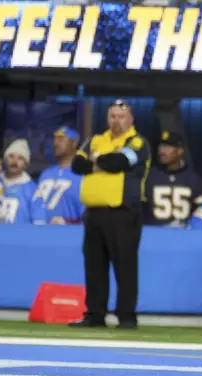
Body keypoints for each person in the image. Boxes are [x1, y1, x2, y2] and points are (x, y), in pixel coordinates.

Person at [69, 99, 151, 329]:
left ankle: (126, 316)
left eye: (121, 117)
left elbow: (120, 161)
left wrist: (96, 160)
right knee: (94, 266)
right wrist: (101, 161)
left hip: (123, 212)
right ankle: (95, 314)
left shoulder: (137, 142)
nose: (116, 121)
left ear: (130, 119)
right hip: (94, 212)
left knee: (125, 265)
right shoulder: (95, 139)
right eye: (112, 116)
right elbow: (77, 164)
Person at [145, 130, 202, 227]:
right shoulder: (149, 175)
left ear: (180, 150)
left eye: (168, 146)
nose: (162, 150)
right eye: (161, 146)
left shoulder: (194, 179)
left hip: (184, 236)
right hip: (155, 235)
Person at [33, 127, 84, 224]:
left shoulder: (82, 175)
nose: (56, 143)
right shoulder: (46, 174)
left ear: (74, 143)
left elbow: (88, 216)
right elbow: (37, 204)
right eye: (55, 139)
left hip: (69, 235)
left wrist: (68, 222)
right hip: (41, 234)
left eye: (61, 139)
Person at [1, 139, 41, 224]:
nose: (14, 161)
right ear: (5, 159)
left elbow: (39, 221)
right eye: (11, 156)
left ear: (25, 164)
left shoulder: (33, 190)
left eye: (20, 158)